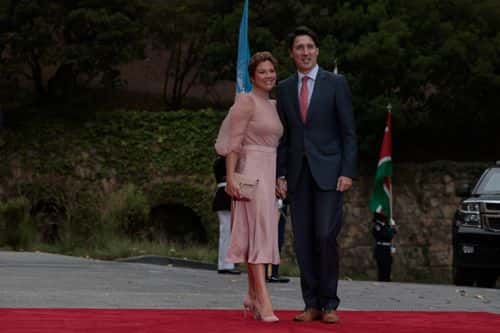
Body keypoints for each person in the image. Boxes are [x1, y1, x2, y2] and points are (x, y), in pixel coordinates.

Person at [276, 26, 358, 324]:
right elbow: (283, 138)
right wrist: (281, 174)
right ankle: (311, 304)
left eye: (310, 46)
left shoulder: (336, 83)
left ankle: (329, 303)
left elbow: (349, 132)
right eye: (299, 47)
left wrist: (348, 171)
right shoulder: (284, 88)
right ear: (292, 53)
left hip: (330, 174)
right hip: (298, 176)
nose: (305, 52)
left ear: (317, 51)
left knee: (325, 235)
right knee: (303, 241)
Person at [215, 51, 283, 323]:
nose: (268, 75)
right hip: (250, 171)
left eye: (272, 71)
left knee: (264, 233)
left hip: (270, 170)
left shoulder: (275, 105)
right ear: (253, 76)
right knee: (255, 232)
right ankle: (263, 300)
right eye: (263, 72)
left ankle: (252, 296)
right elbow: (234, 142)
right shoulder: (246, 101)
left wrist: (280, 177)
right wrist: (231, 177)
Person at [212, 156, 241, 275]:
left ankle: (226, 263)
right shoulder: (224, 161)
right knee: (227, 233)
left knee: (226, 232)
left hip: (223, 197)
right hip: (226, 197)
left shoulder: (219, 161)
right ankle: (226, 264)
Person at [266, 198, 290, 283]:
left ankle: (273, 272)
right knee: (271, 237)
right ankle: (268, 272)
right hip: (270, 200)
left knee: (278, 239)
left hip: (280, 202)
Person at [372, 212, 397, 282]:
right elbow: (384, 235)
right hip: (381, 249)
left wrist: (393, 226)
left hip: (387, 248)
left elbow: (393, 233)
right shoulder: (377, 226)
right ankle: (382, 283)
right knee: (383, 269)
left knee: (388, 268)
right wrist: (391, 230)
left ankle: (387, 281)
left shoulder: (386, 226)